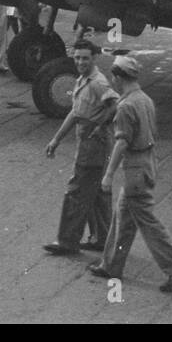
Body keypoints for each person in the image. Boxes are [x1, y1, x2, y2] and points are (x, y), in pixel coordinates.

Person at [88, 56, 172, 292]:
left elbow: (122, 143)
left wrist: (108, 175)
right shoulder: (144, 99)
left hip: (135, 167)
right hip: (147, 162)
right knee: (122, 215)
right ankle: (111, 264)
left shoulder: (126, 106)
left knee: (147, 222)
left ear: (117, 78)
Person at [43, 41, 118, 256]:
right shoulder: (82, 80)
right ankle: (101, 238)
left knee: (76, 191)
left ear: (94, 58)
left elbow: (115, 104)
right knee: (95, 193)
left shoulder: (97, 83)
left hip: (93, 144)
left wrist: (100, 125)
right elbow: (75, 113)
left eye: (85, 58)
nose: (80, 62)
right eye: (77, 58)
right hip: (86, 139)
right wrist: (56, 139)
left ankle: (66, 241)